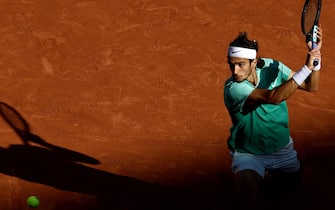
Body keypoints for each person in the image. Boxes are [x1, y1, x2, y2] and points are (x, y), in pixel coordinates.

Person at [223, 25, 322, 210]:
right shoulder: (233, 88)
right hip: (249, 154)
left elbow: (311, 86)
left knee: (290, 193)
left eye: (240, 64)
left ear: (254, 62)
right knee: (250, 201)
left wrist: (315, 57)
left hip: (281, 149)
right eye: (231, 63)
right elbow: (273, 97)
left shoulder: (272, 66)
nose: (234, 71)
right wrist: (306, 68)